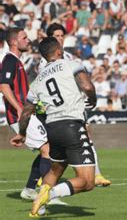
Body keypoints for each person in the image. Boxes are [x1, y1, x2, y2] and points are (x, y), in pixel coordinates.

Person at [11, 37, 98, 216]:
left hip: (53, 130)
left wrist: (21, 133)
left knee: (55, 169)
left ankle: (38, 208)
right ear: (59, 51)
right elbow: (88, 86)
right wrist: (93, 100)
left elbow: (27, 112)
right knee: (87, 182)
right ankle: (49, 195)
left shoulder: (37, 80)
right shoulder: (70, 64)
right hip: (72, 125)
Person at [41, 23, 111, 187]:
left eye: (61, 35)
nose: (60, 39)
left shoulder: (69, 57)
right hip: (59, 110)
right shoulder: (45, 64)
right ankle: (46, 183)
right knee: (53, 151)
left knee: (84, 137)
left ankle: (96, 173)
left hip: (75, 104)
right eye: (56, 36)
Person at [0, 28, 54, 202]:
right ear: (14, 42)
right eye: (24, 38)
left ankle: (31, 189)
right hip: (20, 116)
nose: (28, 40)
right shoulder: (10, 60)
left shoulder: (17, 61)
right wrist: (18, 108)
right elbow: (4, 87)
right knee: (47, 149)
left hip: (27, 114)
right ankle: (46, 195)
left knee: (47, 149)